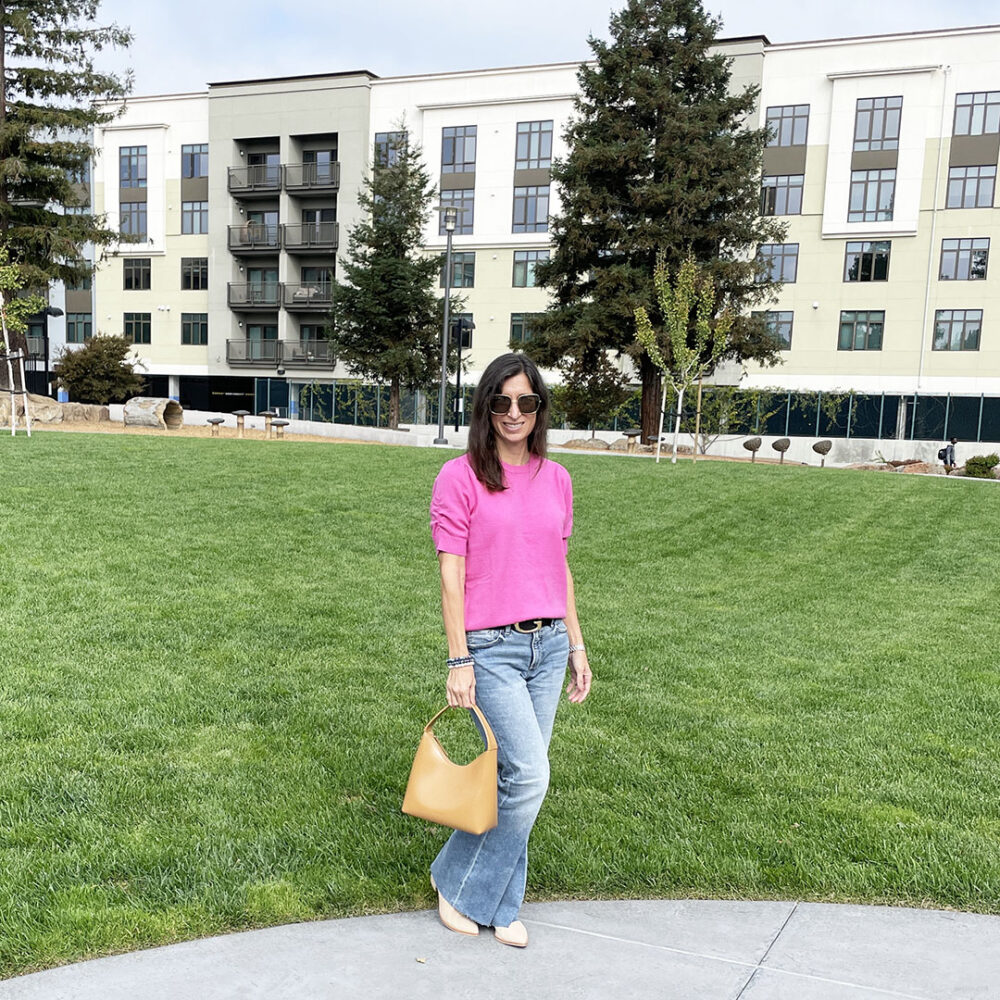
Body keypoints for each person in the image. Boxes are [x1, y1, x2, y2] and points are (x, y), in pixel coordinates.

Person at [428, 352, 592, 949]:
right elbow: (451, 576)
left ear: (540, 408)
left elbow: (560, 567)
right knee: (529, 774)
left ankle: (500, 902)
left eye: (526, 402)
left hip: (548, 647)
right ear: (486, 408)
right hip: (490, 649)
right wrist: (458, 660)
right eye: (501, 402)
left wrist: (576, 643)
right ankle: (458, 884)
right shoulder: (460, 476)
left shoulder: (557, 477)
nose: (514, 413)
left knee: (516, 776)